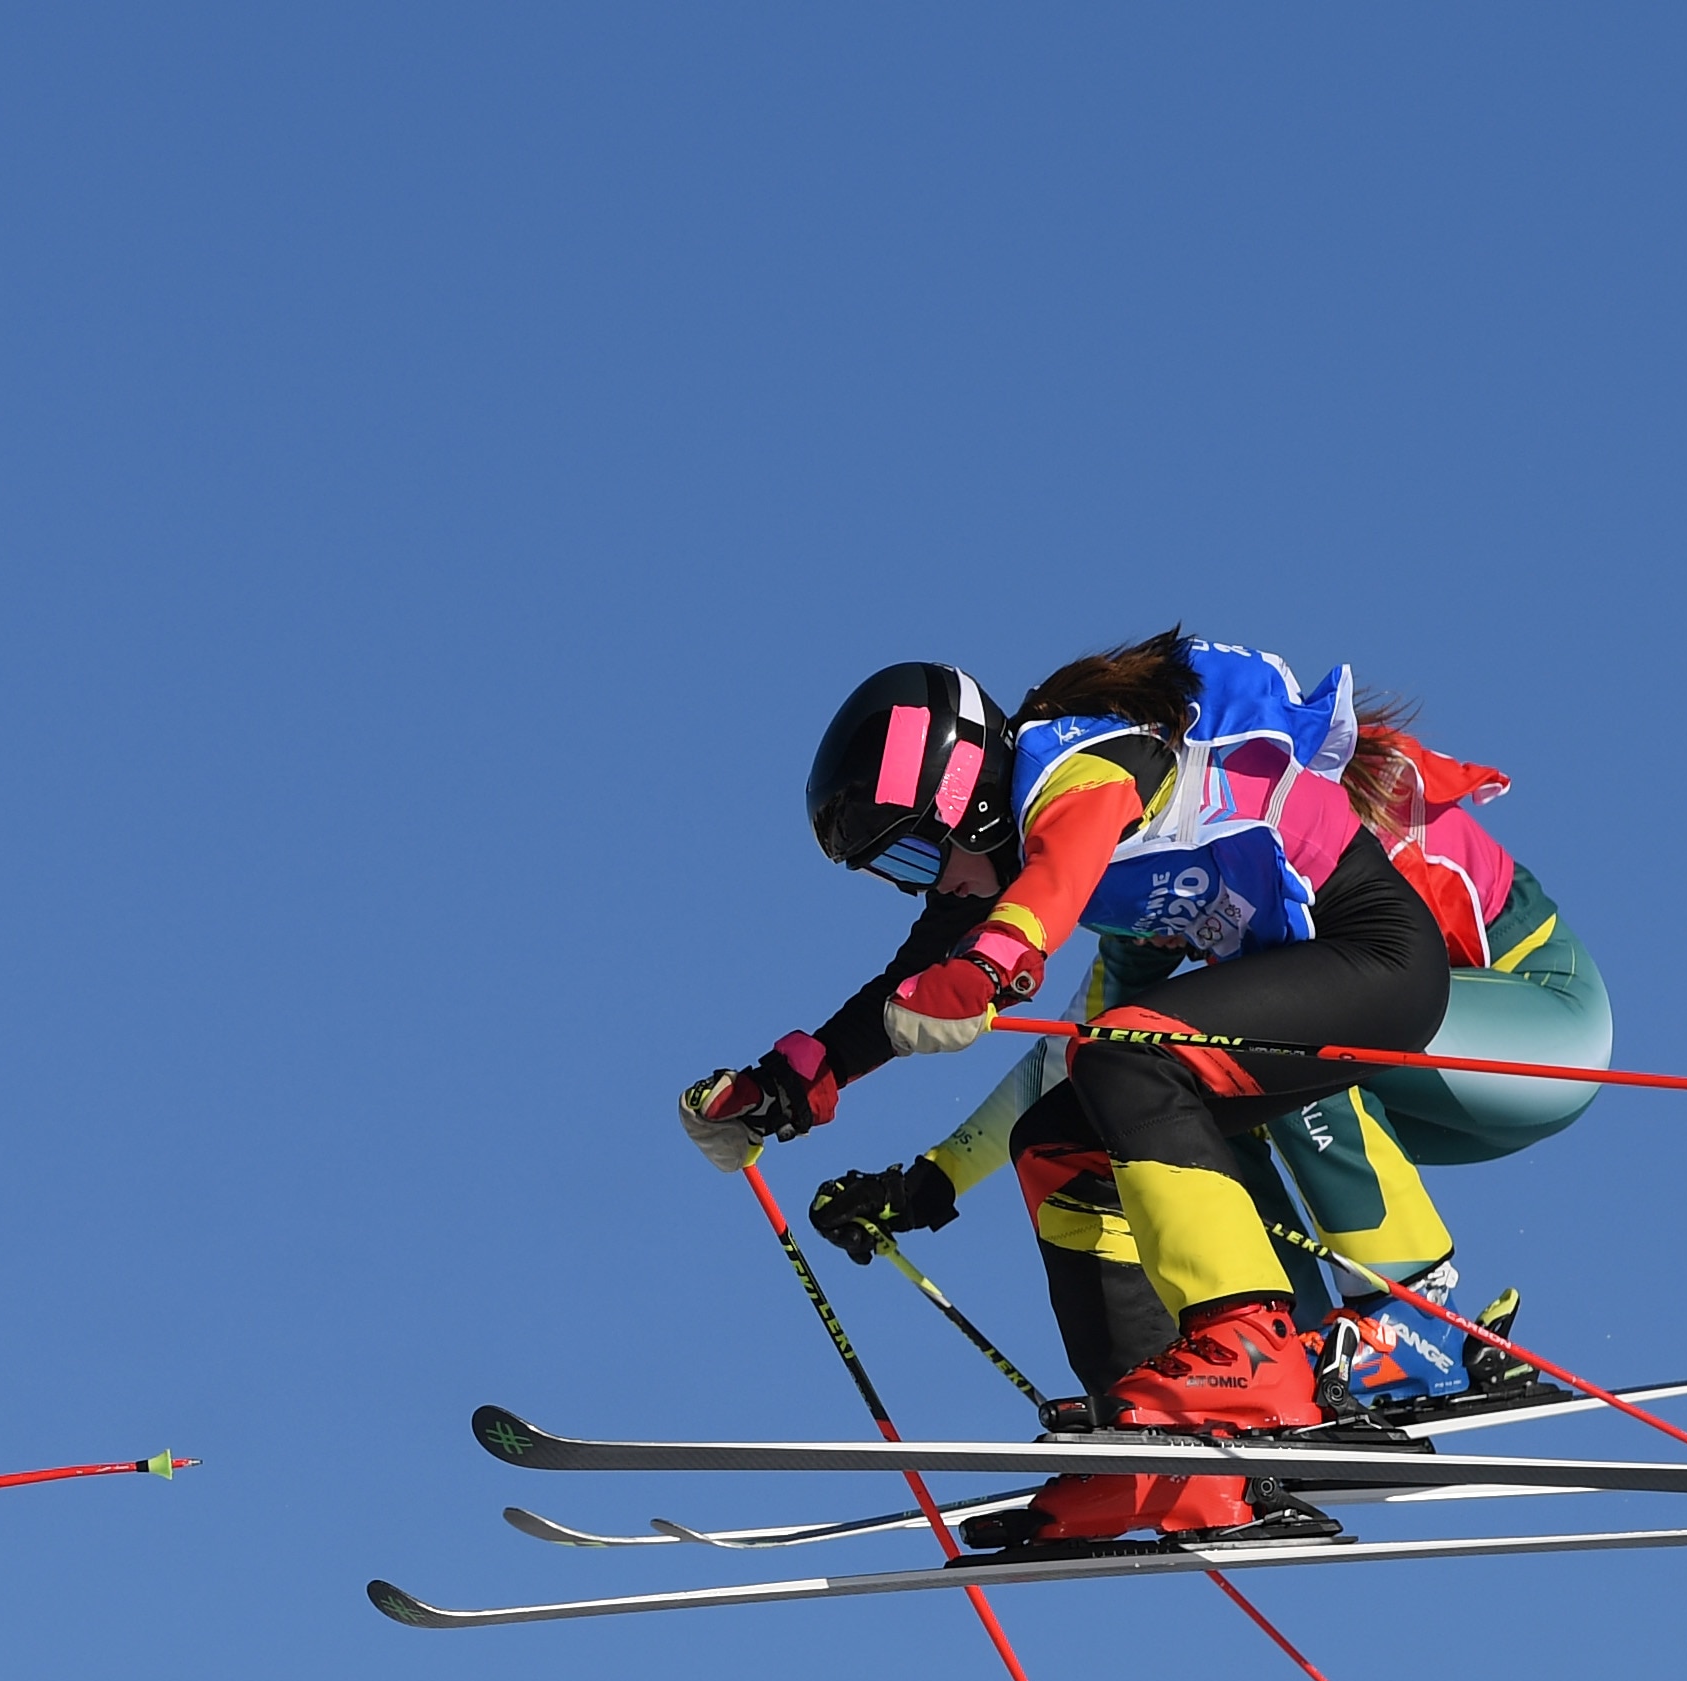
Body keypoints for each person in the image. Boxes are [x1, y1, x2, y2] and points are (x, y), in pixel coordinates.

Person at [684, 636, 1613, 1547]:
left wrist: (997, 962)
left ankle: (1347, 1333)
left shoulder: (1078, 761)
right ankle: (1167, 1461)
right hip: (1316, 990)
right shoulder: (1081, 898)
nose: (923, 889)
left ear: (966, 803)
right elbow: (913, 998)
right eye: (893, 875)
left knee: (1135, 1055)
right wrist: (782, 1086)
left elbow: (1061, 864)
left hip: (1385, 958)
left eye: (917, 860)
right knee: (1065, 1133)